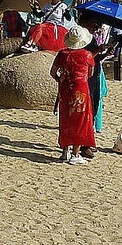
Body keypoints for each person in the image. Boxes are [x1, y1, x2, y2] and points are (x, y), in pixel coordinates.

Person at [49, 25, 97, 164]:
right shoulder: (87, 55)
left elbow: (53, 72)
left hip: (65, 89)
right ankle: (75, 154)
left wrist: (61, 80)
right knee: (80, 120)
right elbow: (90, 73)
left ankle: (65, 151)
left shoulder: (62, 54)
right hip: (80, 89)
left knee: (66, 119)